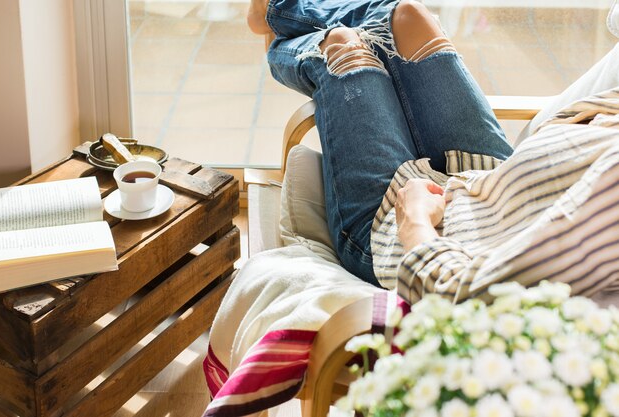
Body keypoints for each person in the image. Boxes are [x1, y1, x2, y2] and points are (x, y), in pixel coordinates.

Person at [248, 0, 619, 303]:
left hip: (400, 231)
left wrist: (416, 223)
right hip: (490, 178)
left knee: (343, 46)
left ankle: (276, 14)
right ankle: (279, 13)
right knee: (410, 16)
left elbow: (460, 292)